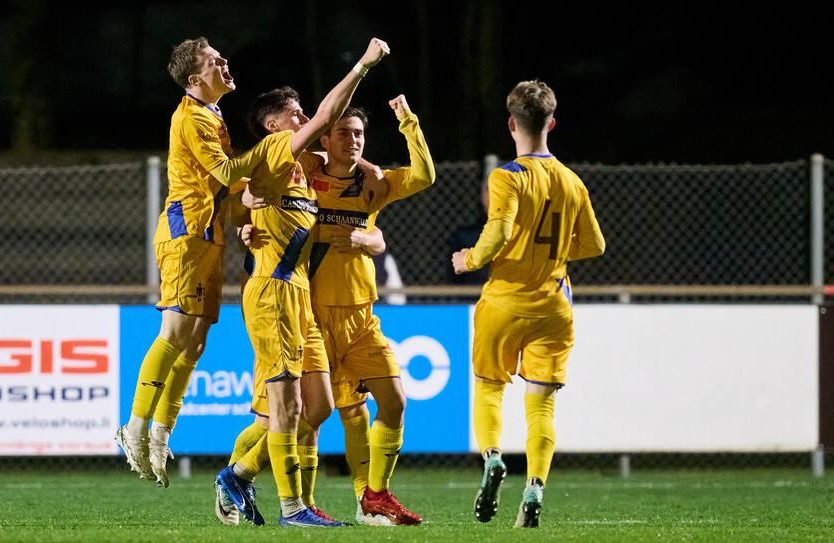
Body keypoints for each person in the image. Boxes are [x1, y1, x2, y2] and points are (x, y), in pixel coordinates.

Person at [213, 38, 391, 528]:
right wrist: (362, 65)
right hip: (272, 292)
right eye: (296, 113)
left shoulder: (299, 171)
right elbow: (324, 119)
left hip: (300, 297)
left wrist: (367, 166)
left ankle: (239, 475)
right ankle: (292, 509)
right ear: (274, 125)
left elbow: (258, 193)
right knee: (283, 406)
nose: (305, 116)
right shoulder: (274, 150)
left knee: (319, 405)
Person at [451, 80, 604, 528]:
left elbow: (497, 232)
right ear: (551, 123)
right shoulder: (573, 182)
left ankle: (494, 458)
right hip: (555, 305)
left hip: (504, 299)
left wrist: (469, 259)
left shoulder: (507, 176)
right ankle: (534, 488)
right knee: (542, 407)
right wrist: (550, 253)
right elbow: (594, 244)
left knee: (489, 386)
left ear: (511, 124)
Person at [114, 37, 243, 488]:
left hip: (210, 234)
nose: (224, 63)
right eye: (213, 61)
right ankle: (132, 428)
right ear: (194, 79)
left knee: (196, 341)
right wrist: (277, 156)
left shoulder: (213, 113)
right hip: (185, 232)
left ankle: (160, 433)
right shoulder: (190, 117)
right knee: (174, 332)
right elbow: (227, 175)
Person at [305, 99, 433, 525]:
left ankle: (374, 495)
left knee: (392, 401)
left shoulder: (372, 184)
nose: (353, 139)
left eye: (359, 133)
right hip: (312, 314)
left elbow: (425, 175)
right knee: (313, 416)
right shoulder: (306, 175)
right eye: (343, 132)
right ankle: (244, 478)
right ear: (324, 138)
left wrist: (408, 122)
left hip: (361, 316)